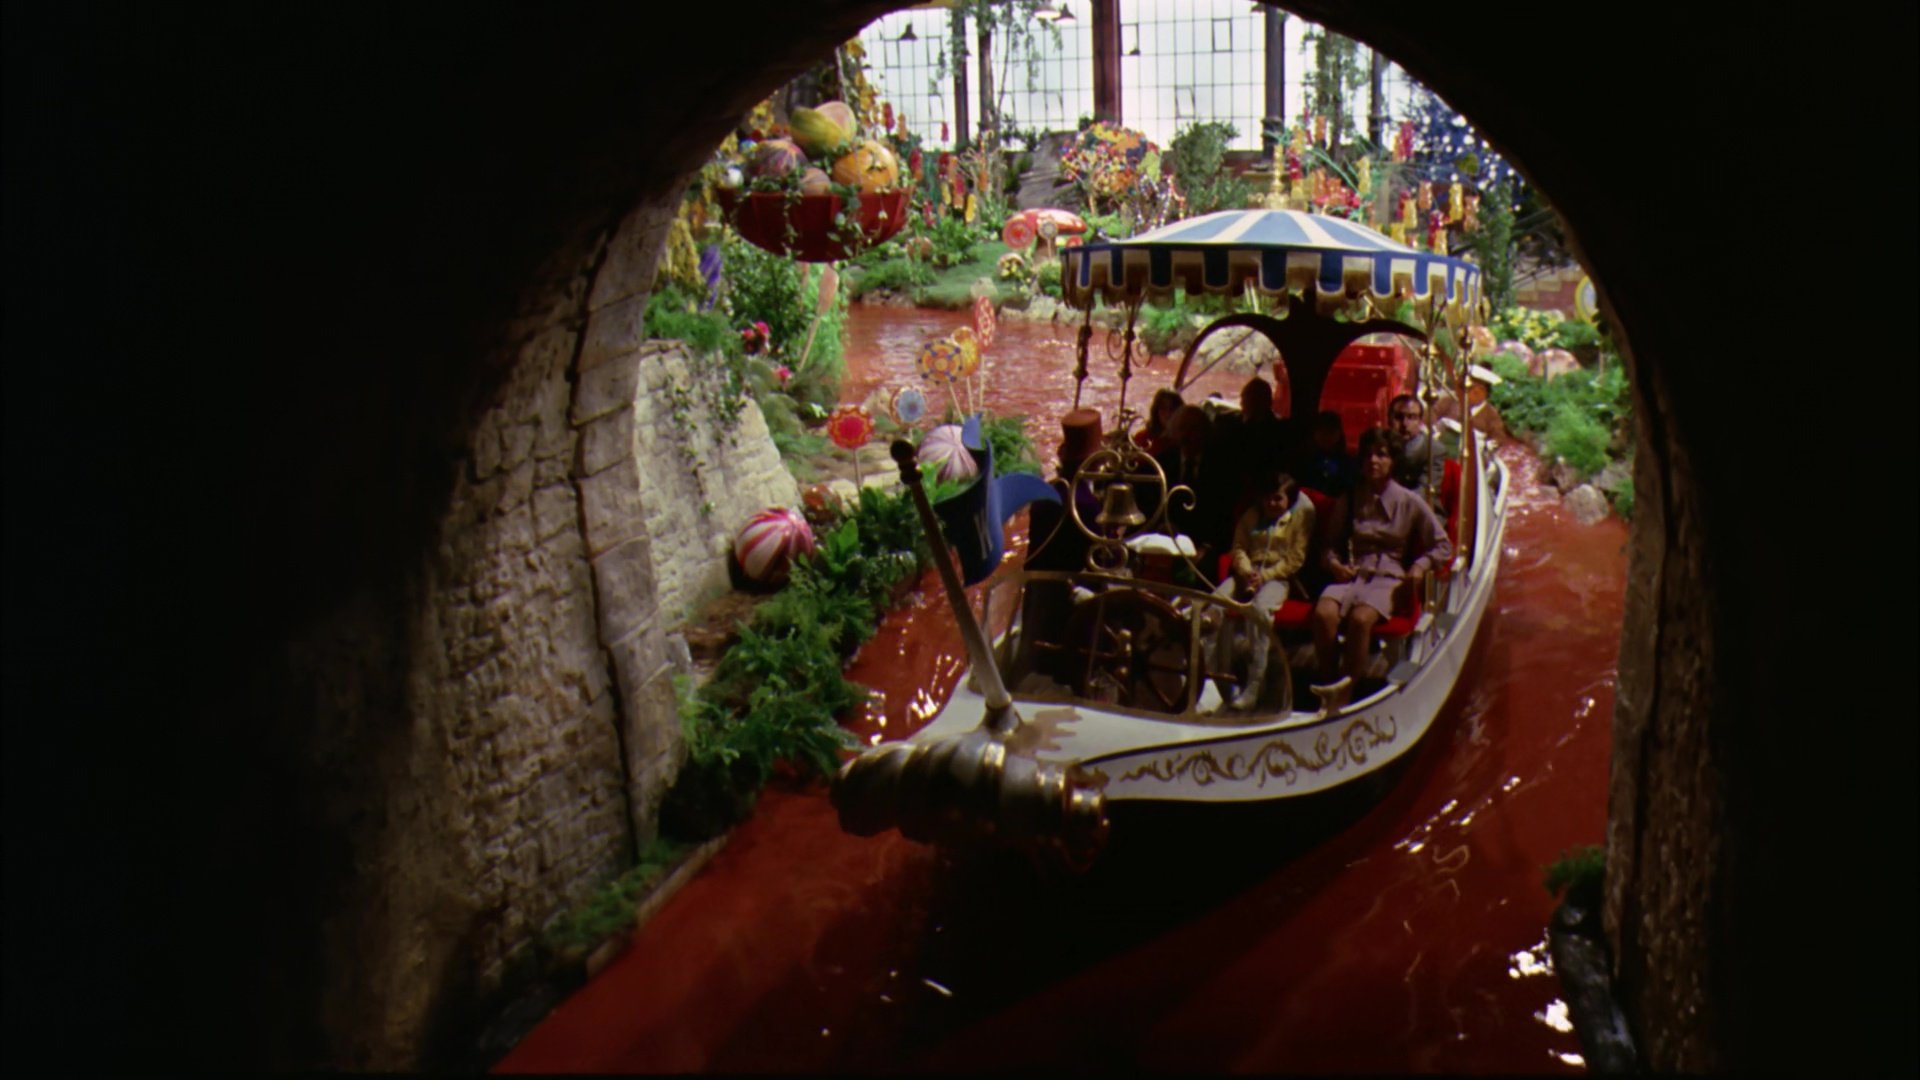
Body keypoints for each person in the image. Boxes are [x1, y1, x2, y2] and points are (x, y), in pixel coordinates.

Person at [1311, 426, 1453, 700]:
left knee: (1360, 619)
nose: (1373, 461)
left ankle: (1346, 691)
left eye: (1382, 455)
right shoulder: (1350, 498)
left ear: (1393, 461)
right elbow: (1328, 545)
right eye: (1367, 455)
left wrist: (1420, 565)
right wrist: (1334, 564)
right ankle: (1328, 684)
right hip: (1353, 573)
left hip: (1389, 578)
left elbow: (1443, 546)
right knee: (1323, 614)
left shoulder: (1410, 501)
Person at [1212, 470, 1315, 709]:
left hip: (1277, 577)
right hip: (1246, 574)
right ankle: (1215, 678)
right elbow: (1238, 547)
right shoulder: (1251, 516)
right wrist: (1247, 571)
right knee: (1214, 604)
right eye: (1268, 498)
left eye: (1278, 498)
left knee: (1259, 611)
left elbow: (1295, 559)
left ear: (1289, 500)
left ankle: (1255, 682)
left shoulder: (1296, 521)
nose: (1272, 503)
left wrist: (1265, 576)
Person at [1387, 392, 1445, 500]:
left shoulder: (1432, 449)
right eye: (1398, 417)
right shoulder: (1380, 445)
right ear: (1389, 419)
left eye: (1411, 417)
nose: (1405, 424)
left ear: (1420, 421)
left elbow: (1424, 492)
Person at [1295, 410, 1355, 497]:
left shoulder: (1346, 463)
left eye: (1330, 432)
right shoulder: (1303, 460)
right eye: (1322, 431)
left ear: (1338, 434)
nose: (1326, 436)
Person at [1137, 387, 1184, 456]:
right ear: (1156, 412)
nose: (1168, 414)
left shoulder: (1185, 440)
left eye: (1172, 409)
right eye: (1163, 409)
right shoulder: (1143, 438)